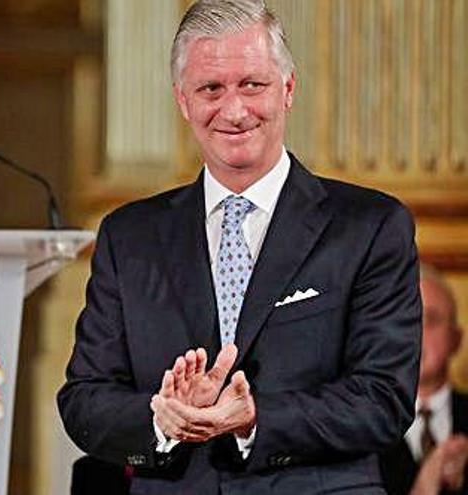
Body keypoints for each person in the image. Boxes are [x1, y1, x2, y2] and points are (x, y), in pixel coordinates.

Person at [57, 0, 421, 493]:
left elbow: (383, 398)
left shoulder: (370, 226)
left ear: (288, 89)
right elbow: (84, 400)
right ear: (183, 101)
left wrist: (253, 419)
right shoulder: (129, 236)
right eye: (211, 88)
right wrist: (164, 421)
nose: (234, 110)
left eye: (252, 84)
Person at [380, 264, 468, 495]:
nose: (415, 334)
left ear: (456, 339)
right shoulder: (354, 431)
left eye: (431, 319)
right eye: (405, 320)